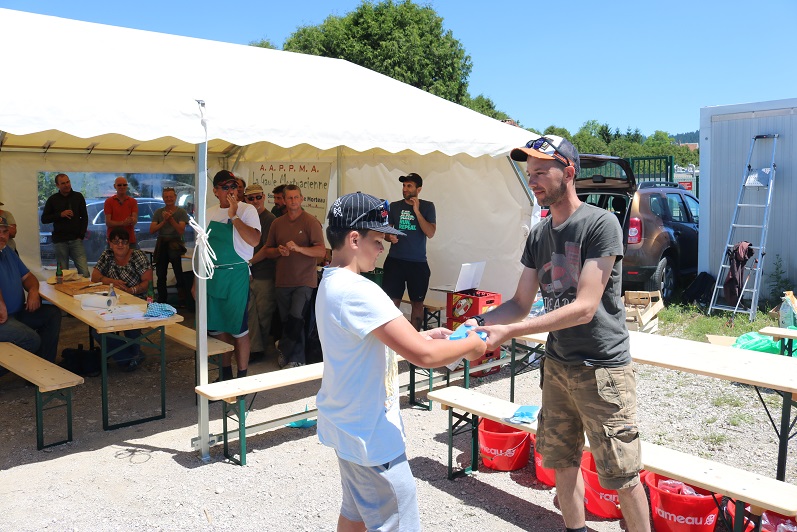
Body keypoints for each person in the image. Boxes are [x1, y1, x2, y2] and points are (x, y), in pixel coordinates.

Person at [468, 136, 651, 532]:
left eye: (540, 172)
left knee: (621, 475)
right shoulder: (539, 234)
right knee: (562, 464)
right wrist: (478, 325)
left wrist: (509, 331)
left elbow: (584, 307)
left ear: (568, 173)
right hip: (557, 366)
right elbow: (520, 302)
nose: (531, 180)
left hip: (602, 370)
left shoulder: (600, 224)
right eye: (528, 173)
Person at [316, 191, 486, 532]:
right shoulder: (359, 290)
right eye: (377, 240)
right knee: (397, 521)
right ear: (354, 239)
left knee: (356, 513)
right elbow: (423, 356)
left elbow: (371, 342)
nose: (382, 248)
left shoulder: (331, 280)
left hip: (346, 425)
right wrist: (474, 343)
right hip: (372, 437)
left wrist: (424, 335)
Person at [193, 170, 260, 380]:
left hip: (236, 275)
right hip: (212, 275)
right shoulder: (208, 213)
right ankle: (225, 375)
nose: (230, 191)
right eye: (225, 187)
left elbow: (254, 240)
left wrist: (234, 216)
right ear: (215, 191)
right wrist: (196, 282)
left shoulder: (247, 210)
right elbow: (202, 251)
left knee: (238, 328)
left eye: (234, 186)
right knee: (217, 328)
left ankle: (242, 377)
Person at [263, 184, 325, 368]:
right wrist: (278, 251)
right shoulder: (277, 223)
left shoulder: (311, 222)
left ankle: (295, 359)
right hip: (283, 280)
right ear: (284, 200)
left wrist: (299, 248)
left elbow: (321, 251)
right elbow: (268, 251)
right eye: (289, 198)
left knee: (297, 317)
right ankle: (288, 352)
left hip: (304, 280)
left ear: (302, 199)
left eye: (296, 197)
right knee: (287, 320)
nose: (293, 201)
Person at [0, 215, 62, 372]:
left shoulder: (8, 251)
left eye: (5, 231)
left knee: (52, 314)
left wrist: (33, 291)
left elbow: (28, 277)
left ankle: (44, 370)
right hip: (2, 319)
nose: (2, 236)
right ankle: (31, 370)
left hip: (17, 312)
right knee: (31, 340)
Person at [91, 227, 153, 371]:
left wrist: (131, 290)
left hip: (138, 301)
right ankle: (129, 357)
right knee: (97, 329)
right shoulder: (107, 255)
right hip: (113, 302)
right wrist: (111, 281)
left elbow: (148, 282)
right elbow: (94, 277)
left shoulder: (138, 256)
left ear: (128, 243)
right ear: (110, 243)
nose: (120, 245)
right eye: (116, 242)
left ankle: (128, 356)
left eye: (124, 242)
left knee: (130, 326)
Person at [382, 172, 436, 331]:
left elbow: (430, 233)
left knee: (417, 304)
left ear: (419, 189)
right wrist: (389, 237)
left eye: (409, 186)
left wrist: (417, 211)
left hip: (417, 263)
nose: (405, 189)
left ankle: (415, 338)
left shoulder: (427, 206)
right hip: (395, 261)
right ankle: (392, 338)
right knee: (391, 303)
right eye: (404, 185)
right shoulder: (394, 206)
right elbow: (386, 233)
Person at [243, 184, 277, 360]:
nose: (255, 201)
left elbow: (266, 247)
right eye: (251, 198)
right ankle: (255, 350)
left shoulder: (269, 219)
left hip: (264, 273)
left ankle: (261, 349)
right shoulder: (245, 217)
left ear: (264, 197)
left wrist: (248, 262)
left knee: (264, 314)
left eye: (258, 197)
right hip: (247, 272)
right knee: (250, 313)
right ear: (245, 200)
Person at [41, 173, 89, 277]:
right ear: (57, 185)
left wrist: (81, 235)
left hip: (76, 239)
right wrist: (60, 214)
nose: (67, 185)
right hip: (60, 241)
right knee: (63, 274)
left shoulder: (78, 197)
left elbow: (85, 217)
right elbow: (44, 219)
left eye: (68, 182)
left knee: (84, 271)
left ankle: (85, 288)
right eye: (63, 183)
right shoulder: (53, 199)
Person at [149, 187, 189, 304]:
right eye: (166, 197)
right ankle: (162, 299)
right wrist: (164, 221)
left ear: (175, 197)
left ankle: (182, 298)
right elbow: (152, 230)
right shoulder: (158, 212)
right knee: (160, 273)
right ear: (163, 198)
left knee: (178, 271)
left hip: (175, 242)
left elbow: (181, 230)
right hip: (162, 242)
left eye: (171, 197)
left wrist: (170, 219)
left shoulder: (181, 212)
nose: (169, 199)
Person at [104, 176, 139, 248]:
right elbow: (108, 222)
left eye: (124, 185)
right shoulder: (109, 202)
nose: (122, 187)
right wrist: (123, 223)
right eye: (119, 185)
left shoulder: (133, 201)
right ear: (115, 186)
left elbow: (135, 220)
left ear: (127, 186)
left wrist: (132, 220)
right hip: (114, 240)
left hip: (129, 239)